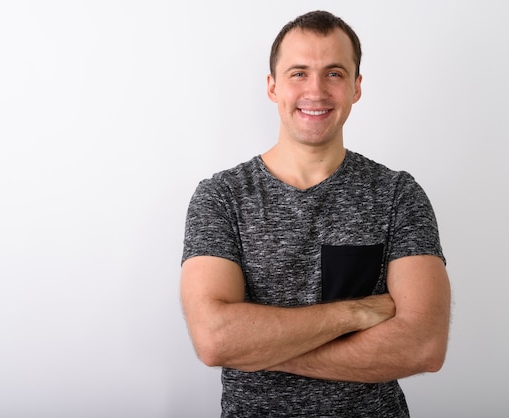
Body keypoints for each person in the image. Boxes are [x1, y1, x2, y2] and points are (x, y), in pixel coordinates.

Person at [180, 9, 451, 418]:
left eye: (334, 74)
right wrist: (356, 312)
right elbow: (215, 340)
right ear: (273, 87)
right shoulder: (221, 197)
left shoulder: (397, 194)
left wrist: (258, 348)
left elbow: (424, 346)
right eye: (299, 73)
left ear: (357, 87)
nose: (316, 91)